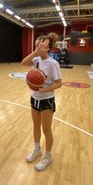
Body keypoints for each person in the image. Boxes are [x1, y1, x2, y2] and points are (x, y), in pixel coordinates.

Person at [21, 33, 62, 171]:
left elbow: (59, 83)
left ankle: (48, 156)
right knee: (36, 126)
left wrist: (46, 90)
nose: (37, 47)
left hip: (47, 100)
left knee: (46, 129)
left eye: (40, 45)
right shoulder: (36, 59)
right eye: (36, 45)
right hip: (34, 98)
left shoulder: (53, 63)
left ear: (48, 47)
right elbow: (23, 63)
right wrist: (34, 52)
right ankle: (36, 150)